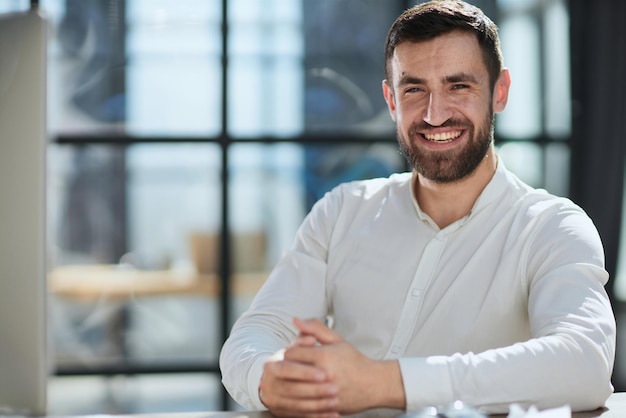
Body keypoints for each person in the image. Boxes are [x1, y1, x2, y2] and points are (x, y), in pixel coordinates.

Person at [219, 1, 616, 416]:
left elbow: (582, 364)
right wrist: (272, 378)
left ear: (499, 91)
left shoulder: (553, 228)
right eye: (414, 89)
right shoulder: (341, 211)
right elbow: (255, 334)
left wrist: (386, 383)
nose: (434, 113)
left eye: (458, 86)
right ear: (391, 99)